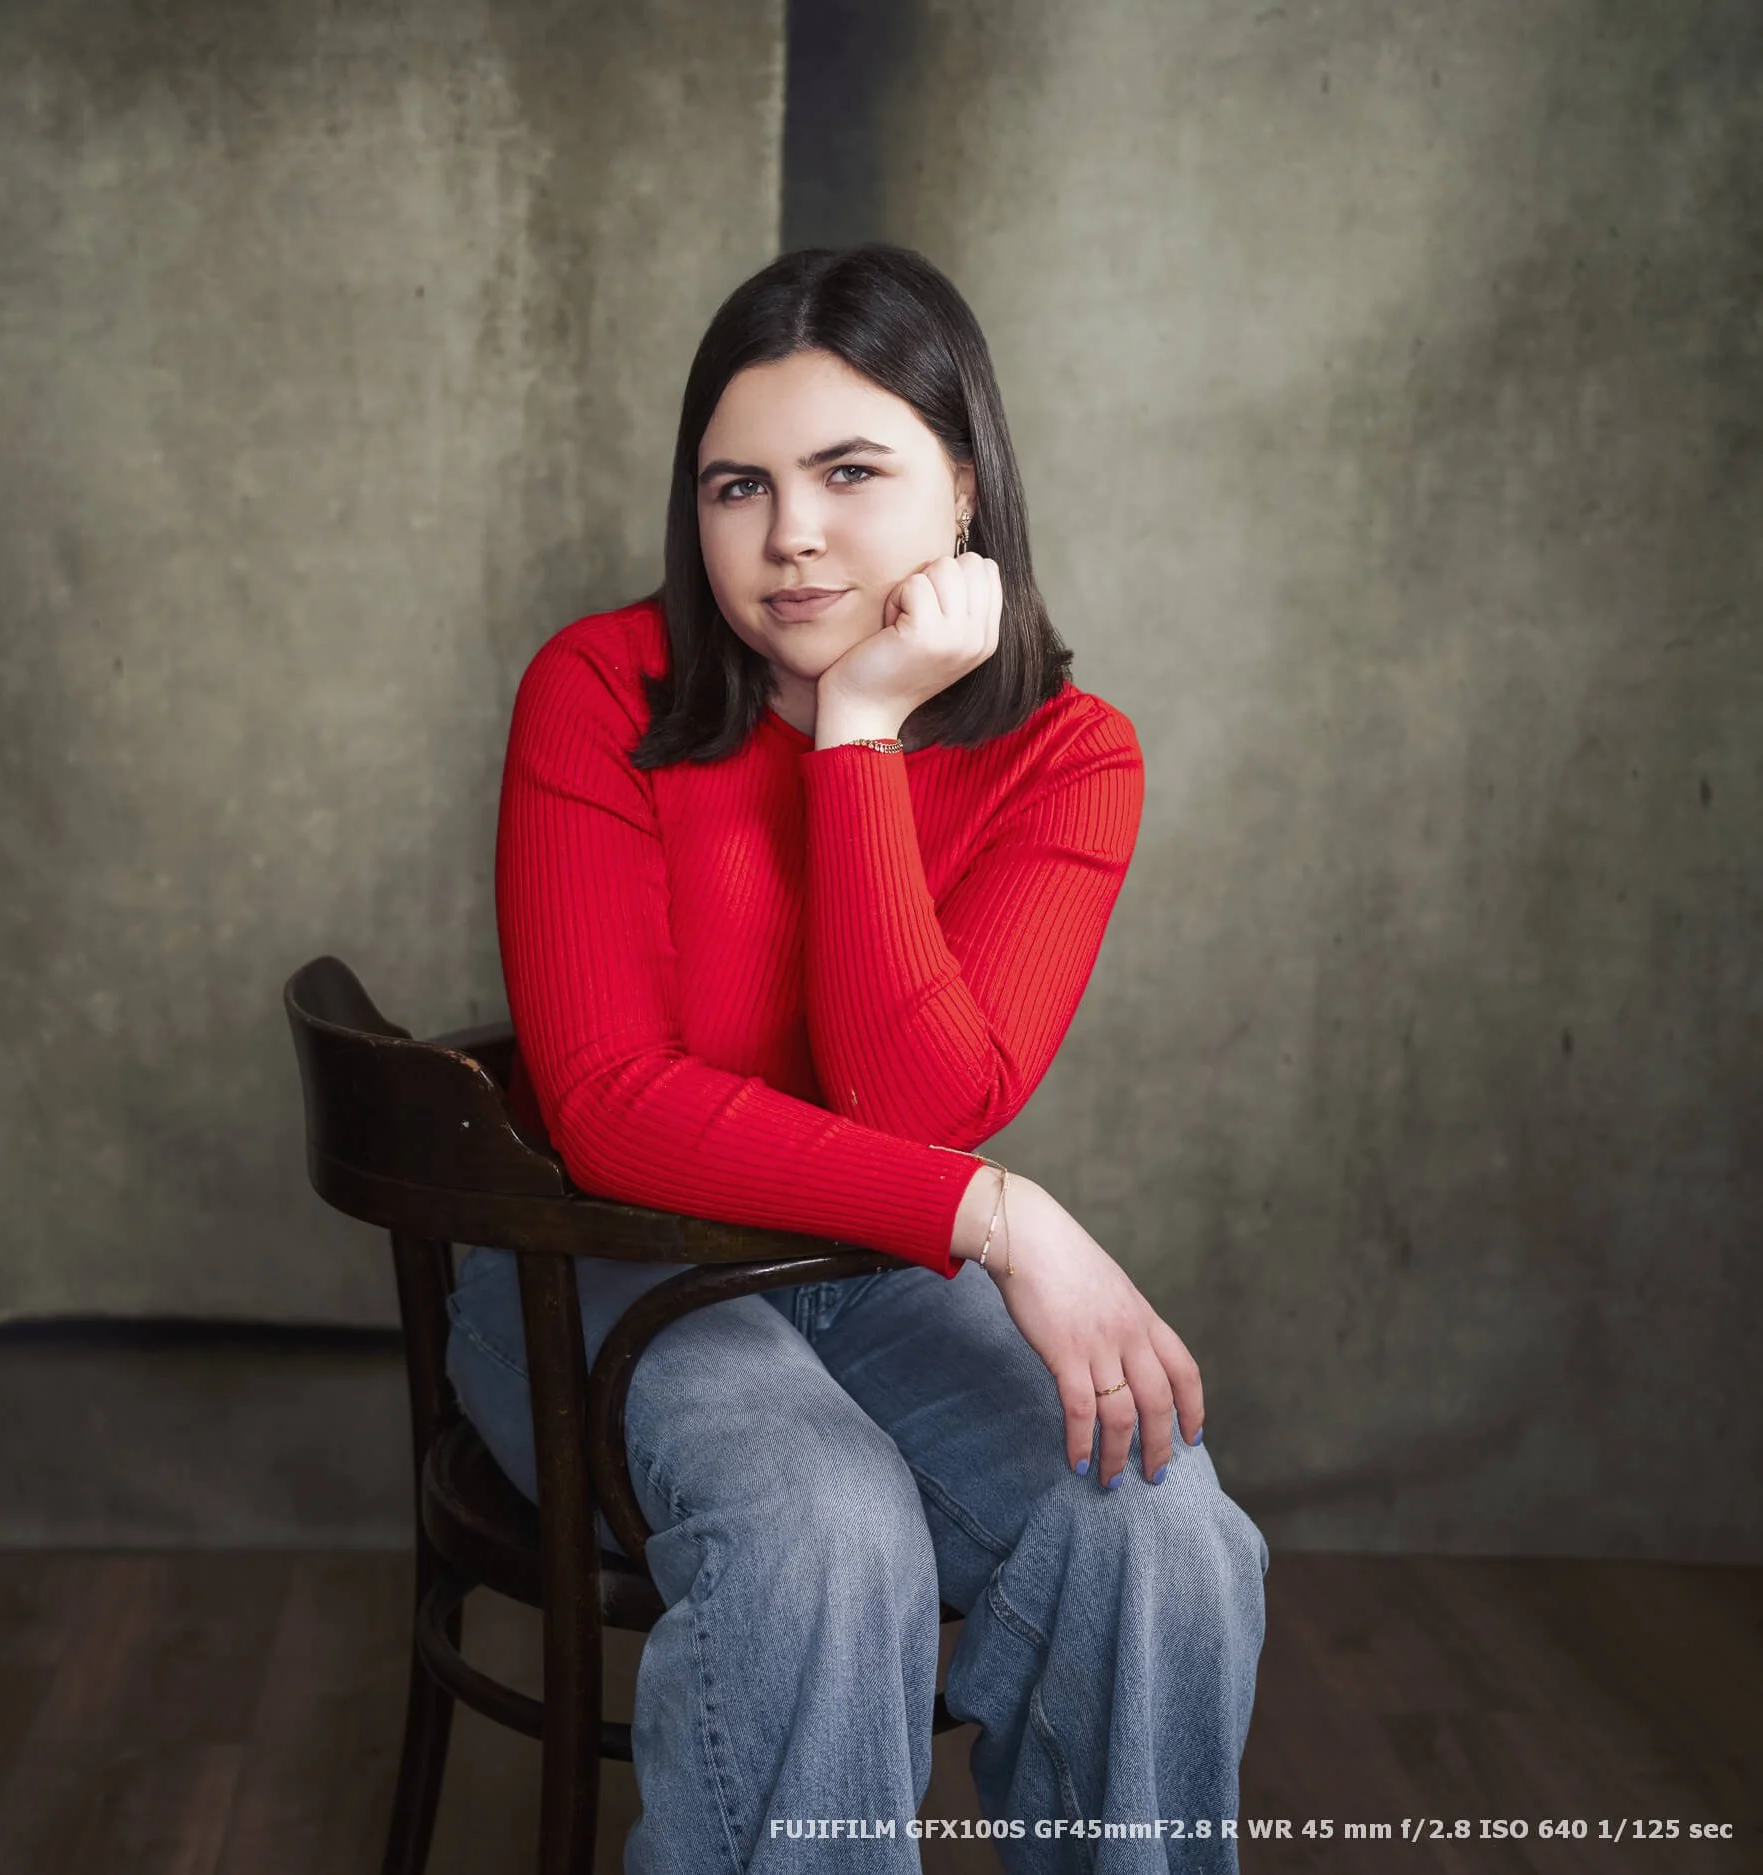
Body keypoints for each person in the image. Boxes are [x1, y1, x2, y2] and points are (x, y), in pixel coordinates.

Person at [443, 244, 1269, 1874]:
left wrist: (860, 733)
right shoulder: (599, 688)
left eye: (850, 471)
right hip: (592, 1267)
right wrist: (999, 1216)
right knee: (823, 1527)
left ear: (963, 485)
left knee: (1159, 1520)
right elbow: (610, 1113)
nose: (790, 533)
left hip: (867, 1267)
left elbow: (911, 1106)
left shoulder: (1067, 758)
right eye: (737, 484)